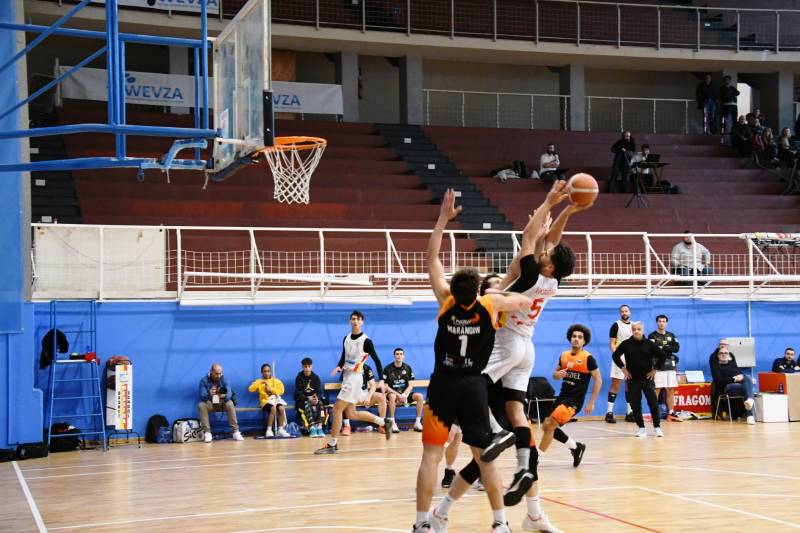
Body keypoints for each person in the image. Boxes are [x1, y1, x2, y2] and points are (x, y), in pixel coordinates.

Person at [434, 181, 584, 533]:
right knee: (511, 445)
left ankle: (525, 506)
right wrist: (568, 210)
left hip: (506, 347)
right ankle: (462, 507)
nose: (546, 252)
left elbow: (534, 238)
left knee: (479, 396)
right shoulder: (551, 281)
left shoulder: (524, 276)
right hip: (525, 348)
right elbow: (549, 242)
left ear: (547, 267)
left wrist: (550, 203)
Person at [413, 188, 533, 533]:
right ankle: (499, 523)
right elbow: (523, 301)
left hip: (443, 386)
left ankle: (422, 524)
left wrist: (442, 220)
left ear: (453, 289)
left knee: (431, 458)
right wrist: (506, 289)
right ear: (480, 289)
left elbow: (431, 259)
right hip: (474, 388)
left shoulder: (445, 300)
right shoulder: (491, 304)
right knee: (484, 458)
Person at [315, 311, 391, 454]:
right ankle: (384, 422)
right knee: (351, 414)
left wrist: (382, 379)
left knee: (337, 409)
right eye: (353, 319)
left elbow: (377, 360)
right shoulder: (346, 338)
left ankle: (332, 444)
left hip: (355, 377)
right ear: (350, 321)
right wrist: (338, 366)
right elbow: (344, 357)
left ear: (362, 322)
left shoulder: (366, 341)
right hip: (347, 376)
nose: (356, 321)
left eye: (359, 319)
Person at [538, 324, 601, 468]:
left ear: (584, 341)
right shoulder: (564, 355)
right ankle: (575, 447)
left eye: (580, 337)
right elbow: (554, 375)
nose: (576, 339)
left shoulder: (588, 358)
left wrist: (592, 402)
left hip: (575, 401)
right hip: (562, 397)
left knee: (551, 425)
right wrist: (557, 374)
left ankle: (537, 459)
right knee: (546, 426)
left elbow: (598, 380)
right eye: (574, 336)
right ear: (570, 338)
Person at [612, 322, 667, 437]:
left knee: (653, 403)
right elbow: (615, 356)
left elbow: (662, 356)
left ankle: (657, 427)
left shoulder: (649, 344)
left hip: (647, 379)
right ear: (631, 331)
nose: (636, 331)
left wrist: (655, 369)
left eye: (639, 329)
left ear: (642, 330)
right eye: (634, 329)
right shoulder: (626, 344)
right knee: (635, 405)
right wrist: (623, 369)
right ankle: (641, 428)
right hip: (632, 380)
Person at [198, 363, 244, 442]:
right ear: (211, 371)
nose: (219, 376)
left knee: (230, 403)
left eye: (220, 373)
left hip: (222, 402)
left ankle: (235, 432)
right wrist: (209, 393)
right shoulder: (203, 381)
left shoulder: (225, 379)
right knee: (201, 405)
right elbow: (202, 396)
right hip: (211, 402)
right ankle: (207, 433)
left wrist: (221, 395)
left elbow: (229, 395)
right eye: (216, 374)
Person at [383, 347, 425, 433]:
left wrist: (404, 396)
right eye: (397, 354)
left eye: (401, 354)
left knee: (420, 396)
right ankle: (392, 422)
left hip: (405, 394)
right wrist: (399, 395)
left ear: (403, 356)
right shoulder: (387, 368)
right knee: (392, 396)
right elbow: (386, 386)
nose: (399, 356)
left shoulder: (408, 368)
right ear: (394, 356)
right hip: (393, 394)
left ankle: (417, 422)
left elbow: (411, 385)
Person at [648, 315, 681, 422]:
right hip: (658, 366)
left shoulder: (671, 335)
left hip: (670, 366)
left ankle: (671, 413)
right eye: (659, 321)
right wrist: (666, 349)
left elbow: (676, 348)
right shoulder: (652, 336)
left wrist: (664, 347)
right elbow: (653, 349)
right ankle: (654, 413)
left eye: (664, 321)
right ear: (657, 322)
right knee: (656, 390)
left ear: (666, 323)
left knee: (670, 390)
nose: (662, 323)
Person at [710, 346, 755, 425]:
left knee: (747, 379)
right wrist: (734, 379)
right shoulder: (716, 367)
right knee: (748, 386)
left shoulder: (732, 364)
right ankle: (750, 412)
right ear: (718, 356)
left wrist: (745, 377)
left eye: (726, 353)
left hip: (739, 386)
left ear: (729, 356)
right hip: (728, 387)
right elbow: (719, 381)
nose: (723, 354)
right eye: (721, 353)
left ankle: (749, 414)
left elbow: (740, 374)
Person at [605, 304, 635, 423]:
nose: (624, 313)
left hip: (632, 358)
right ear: (620, 313)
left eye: (626, 311)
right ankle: (609, 413)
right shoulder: (616, 325)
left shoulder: (634, 326)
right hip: (620, 357)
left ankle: (629, 412)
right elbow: (612, 343)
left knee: (630, 385)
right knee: (616, 385)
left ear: (630, 312)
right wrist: (616, 355)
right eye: (622, 311)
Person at [342, 363, 388, 433]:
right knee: (345, 399)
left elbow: (373, 385)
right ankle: (347, 426)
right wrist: (355, 396)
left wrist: (368, 397)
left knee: (381, 397)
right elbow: (344, 386)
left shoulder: (366, 367)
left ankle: (382, 425)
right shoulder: (348, 368)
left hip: (364, 394)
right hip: (352, 395)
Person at [248, 363, 290, 437]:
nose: (266, 373)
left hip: (275, 400)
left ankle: (280, 429)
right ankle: (269, 430)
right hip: (265, 401)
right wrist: (260, 382)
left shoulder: (276, 381)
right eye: (265, 371)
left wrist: (271, 390)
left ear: (270, 371)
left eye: (268, 371)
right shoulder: (259, 381)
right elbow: (250, 389)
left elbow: (281, 391)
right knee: (273, 409)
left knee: (281, 408)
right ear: (262, 372)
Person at [295, 357, 327, 436]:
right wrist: (308, 398)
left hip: (314, 400)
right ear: (302, 367)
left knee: (320, 404)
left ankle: (319, 427)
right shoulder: (299, 378)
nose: (307, 368)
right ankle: (312, 428)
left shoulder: (316, 378)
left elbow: (319, 392)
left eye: (309, 366)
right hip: (303, 401)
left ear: (311, 366)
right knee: (307, 404)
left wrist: (316, 398)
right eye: (305, 366)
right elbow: (298, 393)